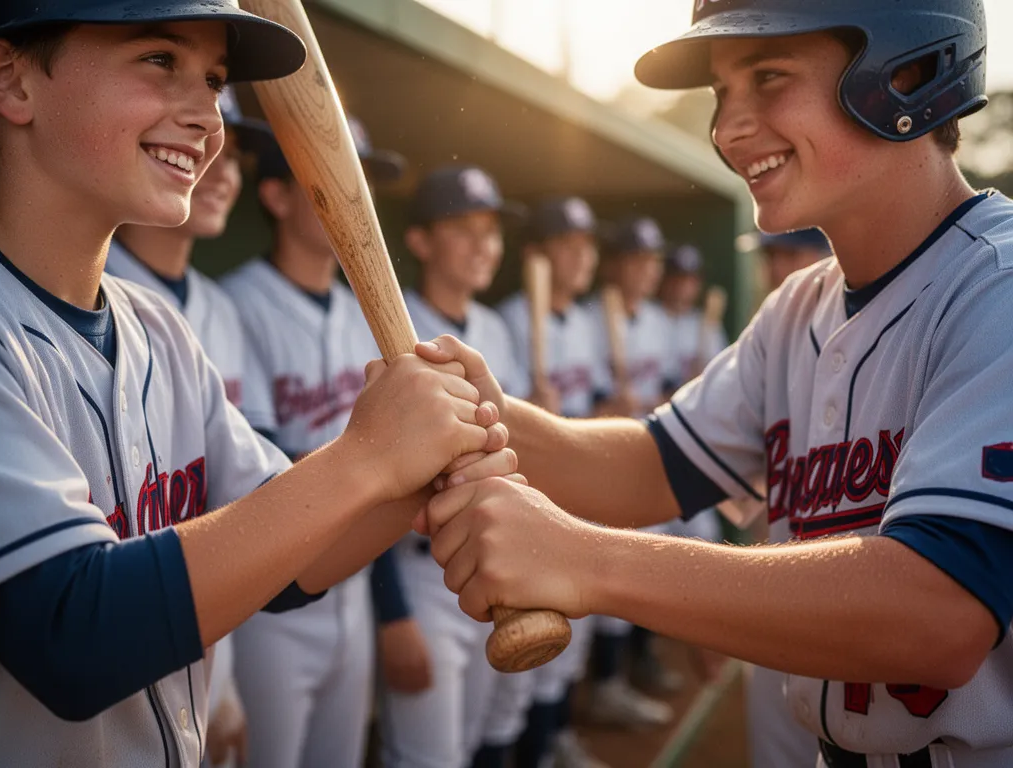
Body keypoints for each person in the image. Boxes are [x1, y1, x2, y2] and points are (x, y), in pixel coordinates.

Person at [416, 2, 1013, 766]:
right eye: (722, 93)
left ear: (907, 70)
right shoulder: (798, 307)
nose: (728, 128)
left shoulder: (994, 289)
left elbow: (938, 615)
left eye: (768, 78)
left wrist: (586, 562)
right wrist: (477, 411)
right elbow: (650, 464)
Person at [0, 3, 512, 765]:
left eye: (215, 79)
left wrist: (419, 474)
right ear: (10, 80)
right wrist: (366, 458)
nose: (208, 116)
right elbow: (74, 635)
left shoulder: (157, 328)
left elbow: (294, 557)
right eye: (160, 61)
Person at [220, 116, 427, 768]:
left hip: (356, 581)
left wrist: (391, 609)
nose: (352, 202)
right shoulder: (238, 304)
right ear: (276, 197)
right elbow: (263, 475)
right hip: (269, 601)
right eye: (327, 184)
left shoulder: (369, 311)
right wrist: (384, 461)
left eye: (358, 185)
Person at [105, 87, 265, 768]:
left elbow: (237, 506)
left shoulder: (205, 314)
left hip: (207, 640)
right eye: (160, 64)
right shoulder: (70, 292)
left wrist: (218, 683)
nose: (219, 157)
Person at [379, 165, 527, 768]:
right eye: (463, 229)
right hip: (417, 565)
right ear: (419, 242)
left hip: (497, 560)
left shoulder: (495, 327)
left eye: (490, 229)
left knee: (482, 740)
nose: (483, 244)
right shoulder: (390, 322)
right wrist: (392, 614)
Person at [498, 197, 611, 768]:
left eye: (588, 245)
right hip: (524, 513)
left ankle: (555, 741)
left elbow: (589, 410)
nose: (584, 257)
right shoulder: (515, 320)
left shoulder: (587, 319)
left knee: (568, 649)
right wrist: (537, 419)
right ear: (537, 254)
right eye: (570, 245)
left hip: (576, 503)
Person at [584, 216, 677, 729]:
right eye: (637, 260)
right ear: (616, 264)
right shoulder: (591, 318)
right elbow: (584, 408)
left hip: (645, 462)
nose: (646, 271)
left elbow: (666, 390)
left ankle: (634, 666)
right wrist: (609, 408)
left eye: (652, 261)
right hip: (598, 468)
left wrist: (648, 403)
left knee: (646, 573)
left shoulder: (658, 321)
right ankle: (604, 686)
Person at [746, 227, 831, 768]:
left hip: (863, 620)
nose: (778, 270)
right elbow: (753, 496)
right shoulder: (766, 340)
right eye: (771, 256)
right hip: (774, 609)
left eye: (791, 253)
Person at [657, 243, 727, 382]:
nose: (683, 286)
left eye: (690, 279)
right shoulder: (650, 318)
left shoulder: (708, 324)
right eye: (678, 277)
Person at [759, 228, 833, 293]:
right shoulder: (772, 305)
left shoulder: (837, 303)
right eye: (770, 254)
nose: (777, 267)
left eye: (789, 254)